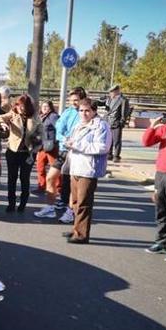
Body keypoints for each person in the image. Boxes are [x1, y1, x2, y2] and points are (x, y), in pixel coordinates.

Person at [63, 99, 111, 244]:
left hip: (88, 169)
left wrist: (77, 144)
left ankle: (82, 234)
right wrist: (69, 143)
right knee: (76, 202)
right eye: (81, 111)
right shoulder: (79, 125)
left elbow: (102, 147)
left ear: (94, 111)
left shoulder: (101, 126)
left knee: (84, 203)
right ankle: (76, 228)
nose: (83, 113)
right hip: (76, 167)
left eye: (87, 111)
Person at [35, 87, 85, 223]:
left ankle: (70, 211)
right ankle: (50, 208)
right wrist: (64, 139)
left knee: (71, 183)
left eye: (76, 100)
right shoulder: (67, 112)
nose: (74, 103)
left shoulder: (85, 113)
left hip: (77, 152)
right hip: (64, 150)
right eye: (71, 100)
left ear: (82, 99)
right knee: (51, 178)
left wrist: (74, 141)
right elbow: (59, 130)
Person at [142, 100, 166, 263]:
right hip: (161, 175)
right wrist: (152, 127)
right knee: (161, 210)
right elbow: (146, 142)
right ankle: (161, 241)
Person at [0, 95, 41, 213]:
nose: (20, 108)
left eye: (23, 106)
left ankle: (23, 203)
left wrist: (38, 142)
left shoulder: (35, 117)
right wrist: (3, 124)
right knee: (12, 179)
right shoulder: (13, 114)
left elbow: (42, 133)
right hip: (13, 152)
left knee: (24, 179)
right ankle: (11, 203)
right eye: (18, 105)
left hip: (27, 153)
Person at [36, 100, 60, 193]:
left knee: (54, 167)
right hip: (42, 146)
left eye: (46, 106)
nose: (44, 108)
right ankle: (42, 186)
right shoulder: (41, 117)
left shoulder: (53, 116)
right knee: (40, 167)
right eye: (43, 106)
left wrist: (55, 141)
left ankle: (58, 187)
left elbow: (59, 128)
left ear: (50, 107)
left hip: (51, 146)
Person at [104, 84, 130, 162]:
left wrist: (121, 122)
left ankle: (116, 155)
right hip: (108, 122)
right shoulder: (109, 99)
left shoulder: (123, 100)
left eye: (112, 91)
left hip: (116, 122)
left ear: (117, 91)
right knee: (109, 139)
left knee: (117, 140)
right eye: (110, 92)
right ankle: (109, 154)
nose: (111, 93)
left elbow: (124, 112)